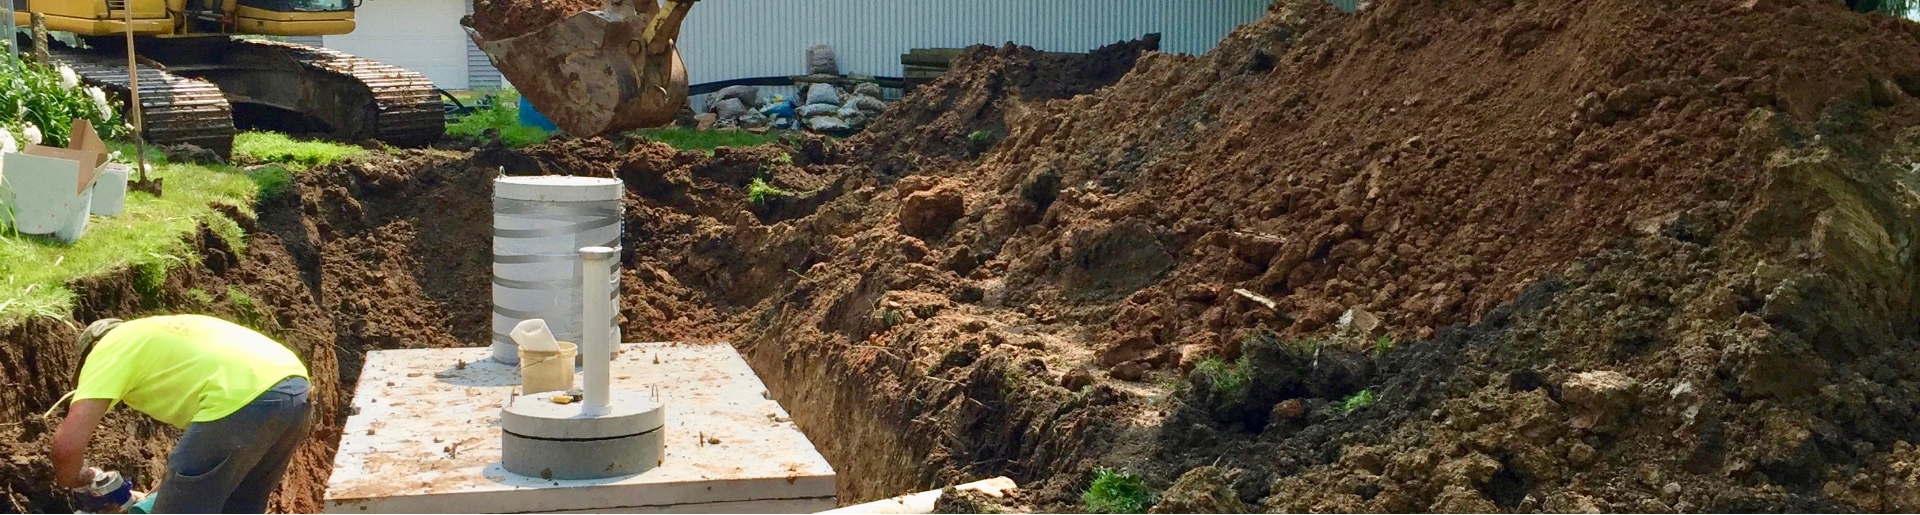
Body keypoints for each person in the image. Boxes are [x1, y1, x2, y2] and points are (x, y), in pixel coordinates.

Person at [50, 315, 313, 514]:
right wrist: (162, 495)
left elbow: (67, 447)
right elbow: (202, 453)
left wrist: (77, 480)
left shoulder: (109, 348)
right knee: (236, 507)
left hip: (245, 399)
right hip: (295, 390)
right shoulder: (156, 335)